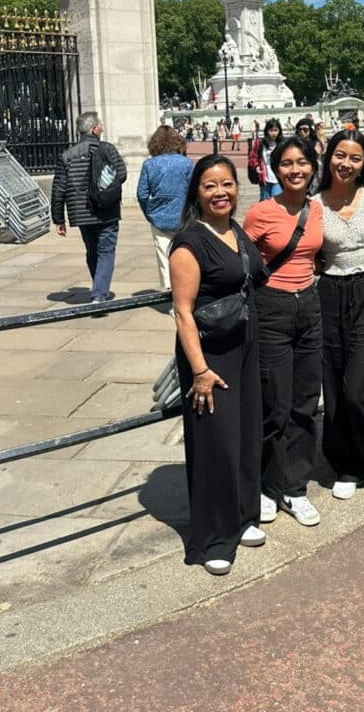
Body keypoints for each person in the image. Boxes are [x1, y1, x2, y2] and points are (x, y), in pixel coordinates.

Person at [169, 155, 266, 575]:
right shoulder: (190, 242)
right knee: (216, 444)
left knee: (245, 436)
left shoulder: (234, 230)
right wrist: (200, 370)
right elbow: (182, 313)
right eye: (210, 186)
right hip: (210, 354)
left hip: (243, 344)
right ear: (197, 192)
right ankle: (213, 537)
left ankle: (242, 516)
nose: (220, 192)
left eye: (226, 184)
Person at [243, 136, 324, 527]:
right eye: (287, 163)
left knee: (306, 403)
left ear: (312, 167)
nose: (295, 170)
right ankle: (268, 485)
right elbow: (242, 263)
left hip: (309, 305)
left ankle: (296, 487)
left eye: (302, 163)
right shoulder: (260, 212)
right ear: (276, 170)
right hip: (271, 307)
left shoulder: (316, 209)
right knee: (275, 405)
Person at [314, 131, 364, 499]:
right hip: (327, 291)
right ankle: (345, 464)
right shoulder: (315, 204)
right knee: (334, 386)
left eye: (355, 158)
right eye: (340, 155)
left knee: (360, 390)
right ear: (329, 157)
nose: (346, 163)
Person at [51, 111, 127, 304]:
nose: (102, 128)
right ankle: (99, 294)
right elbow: (122, 174)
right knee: (106, 250)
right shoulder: (107, 149)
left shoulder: (67, 155)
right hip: (106, 209)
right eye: (100, 125)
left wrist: (58, 218)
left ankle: (98, 288)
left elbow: (59, 187)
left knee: (92, 250)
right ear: (93, 128)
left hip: (81, 212)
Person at [136, 126, 194, 290]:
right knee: (185, 253)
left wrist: (149, 212)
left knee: (164, 256)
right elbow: (195, 190)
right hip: (184, 215)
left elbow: (142, 194)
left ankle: (169, 291)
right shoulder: (187, 163)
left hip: (159, 216)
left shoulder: (149, 165)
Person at [247, 118, 284, 200]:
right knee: (265, 201)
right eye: (271, 130)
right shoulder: (260, 143)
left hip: (278, 178)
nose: (273, 133)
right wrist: (256, 166)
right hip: (265, 178)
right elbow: (253, 157)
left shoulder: (282, 144)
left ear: (279, 131)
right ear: (267, 131)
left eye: (276, 130)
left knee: (276, 201)